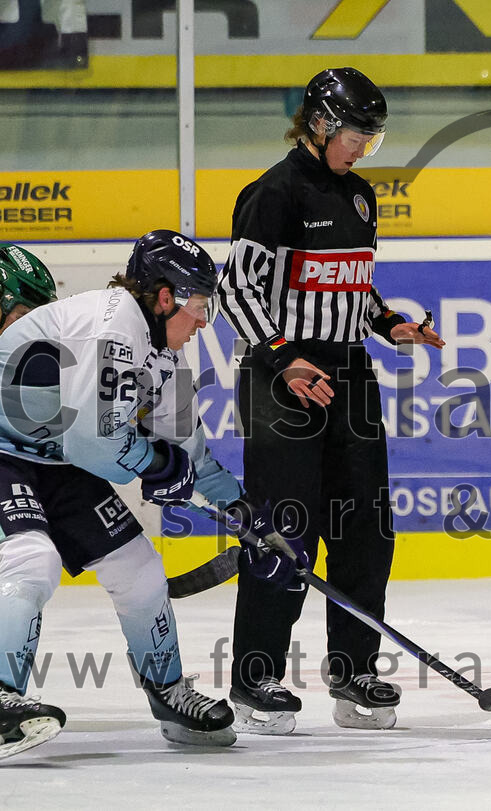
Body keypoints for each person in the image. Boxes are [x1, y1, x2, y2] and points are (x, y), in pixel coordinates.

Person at [0, 232, 295, 759]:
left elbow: (189, 452)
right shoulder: (114, 324)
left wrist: (246, 515)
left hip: (55, 460)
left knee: (139, 568)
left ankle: (167, 692)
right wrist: (156, 464)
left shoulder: (159, 349)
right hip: (5, 451)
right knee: (31, 561)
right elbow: (94, 443)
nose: (205, 321)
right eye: (200, 306)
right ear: (165, 298)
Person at [217, 67, 444, 734]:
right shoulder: (276, 193)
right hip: (280, 380)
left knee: (365, 528)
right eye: (355, 137)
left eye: (373, 142)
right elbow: (236, 292)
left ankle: (354, 668)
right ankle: (256, 676)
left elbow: (354, 286)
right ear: (317, 124)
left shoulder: (361, 198)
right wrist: (285, 358)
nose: (362, 151)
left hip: (348, 376)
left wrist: (388, 323)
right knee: (286, 527)